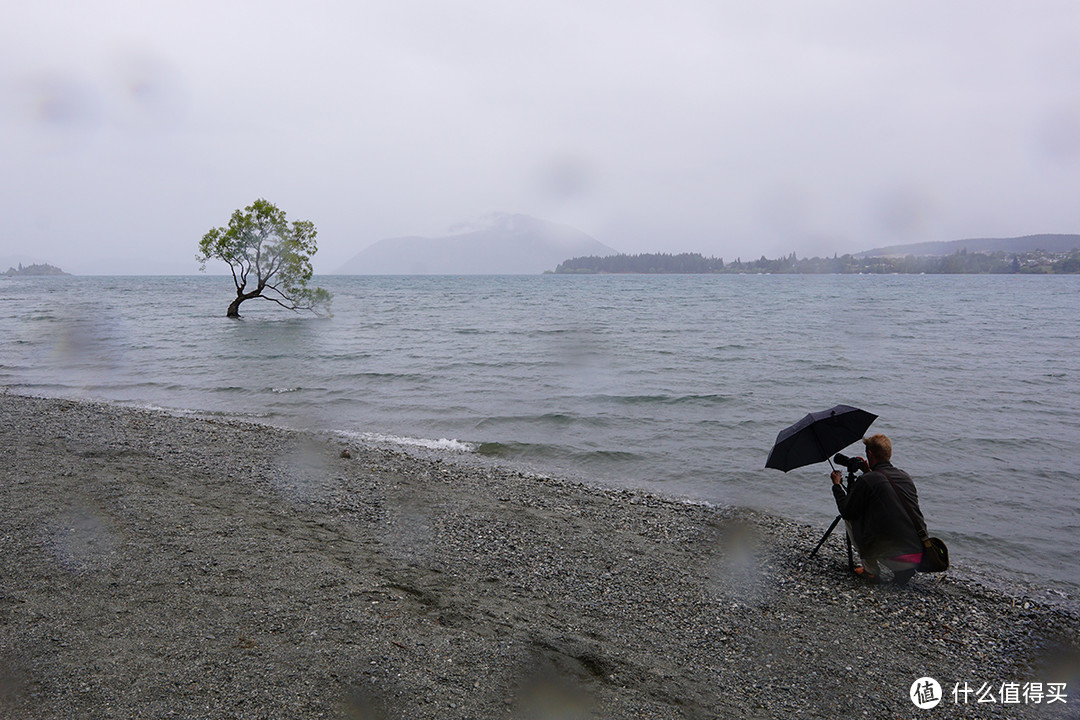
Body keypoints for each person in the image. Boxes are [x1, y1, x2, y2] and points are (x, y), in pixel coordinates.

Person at [830, 433, 926, 585]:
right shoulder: (904, 476)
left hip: (896, 557)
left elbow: (846, 511)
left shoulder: (868, 480)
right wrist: (868, 471)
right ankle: (902, 569)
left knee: (851, 517)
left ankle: (871, 571)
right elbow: (887, 498)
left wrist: (836, 485)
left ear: (869, 454)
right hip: (918, 554)